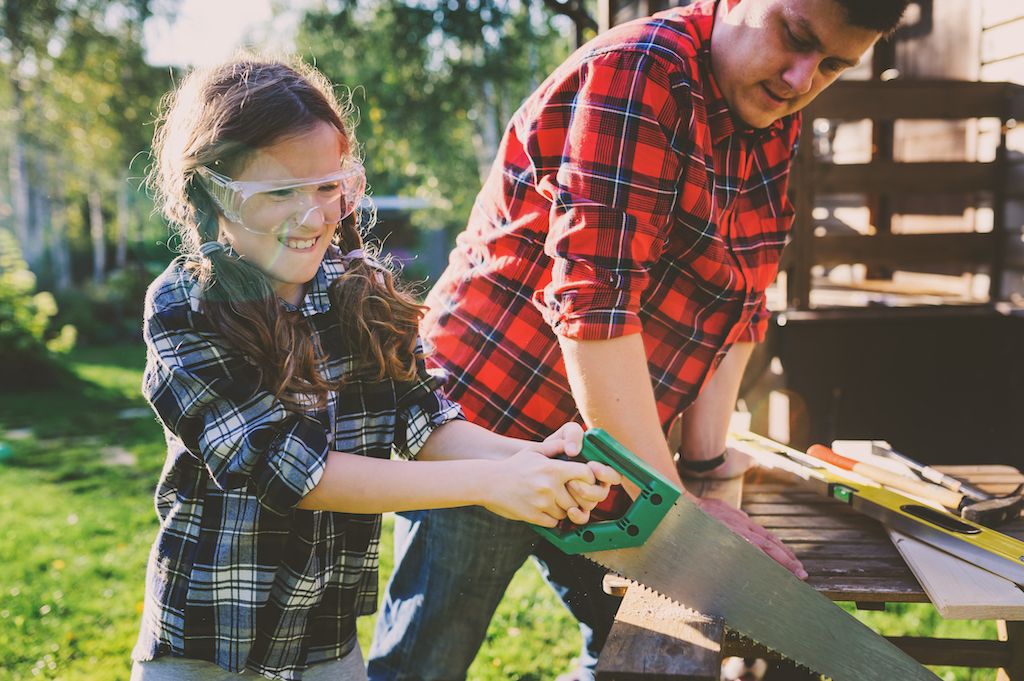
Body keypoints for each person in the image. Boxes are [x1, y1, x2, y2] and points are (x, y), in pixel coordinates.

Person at [369, 0, 911, 679]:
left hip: (611, 442)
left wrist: (706, 469)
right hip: (488, 423)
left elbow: (739, 298)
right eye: (794, 37)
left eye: (832, 66)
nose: (801, 79)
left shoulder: (775, 112)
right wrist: (680, 520)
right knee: (424, 659)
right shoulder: (639, 73)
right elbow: (596, 306)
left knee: (645, 658)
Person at [129, 56, 621, 681]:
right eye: (278, 193)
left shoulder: (360, 294)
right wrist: (486, 486)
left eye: (328, 186)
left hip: (326, 641)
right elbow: (295, 475)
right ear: (210, 192)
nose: (314, 217)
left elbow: (425, 424)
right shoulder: (184, 308)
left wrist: (526, 459)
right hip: (209, 644)